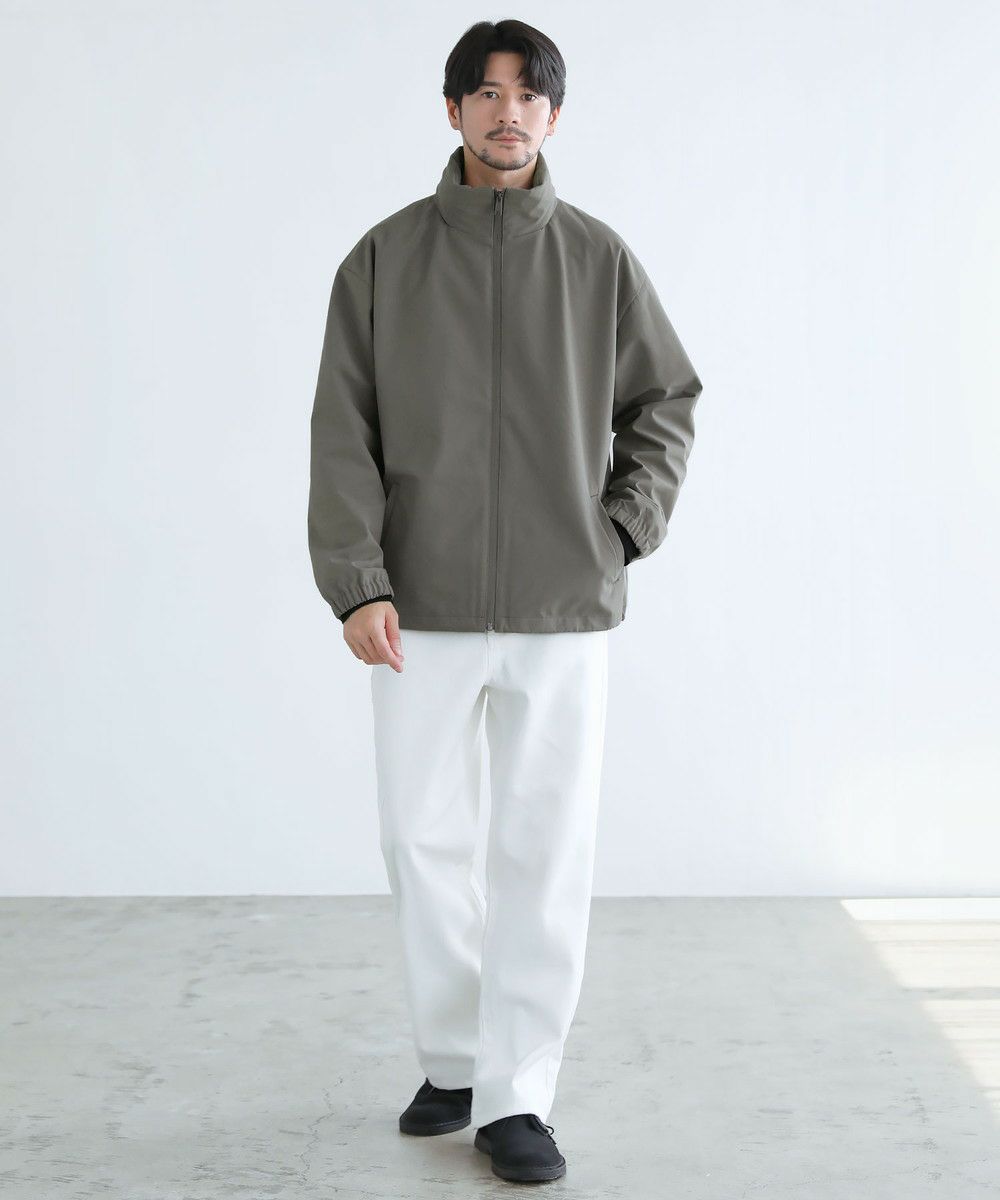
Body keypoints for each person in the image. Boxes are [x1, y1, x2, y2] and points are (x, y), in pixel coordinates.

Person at [308, 18, 703, 1184]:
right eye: (485, 93)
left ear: (553, 116)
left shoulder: (596, 259)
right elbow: (342, 431)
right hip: (415, 603)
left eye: (529, 95)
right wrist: (357, 582)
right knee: (419, 839)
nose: (507, 112)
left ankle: (516, 1094)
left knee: (542, 847)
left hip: (558, 606)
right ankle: (453, 1056)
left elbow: (665, 400)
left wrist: (619, 529)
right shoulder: (382, 260)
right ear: (452, 110)